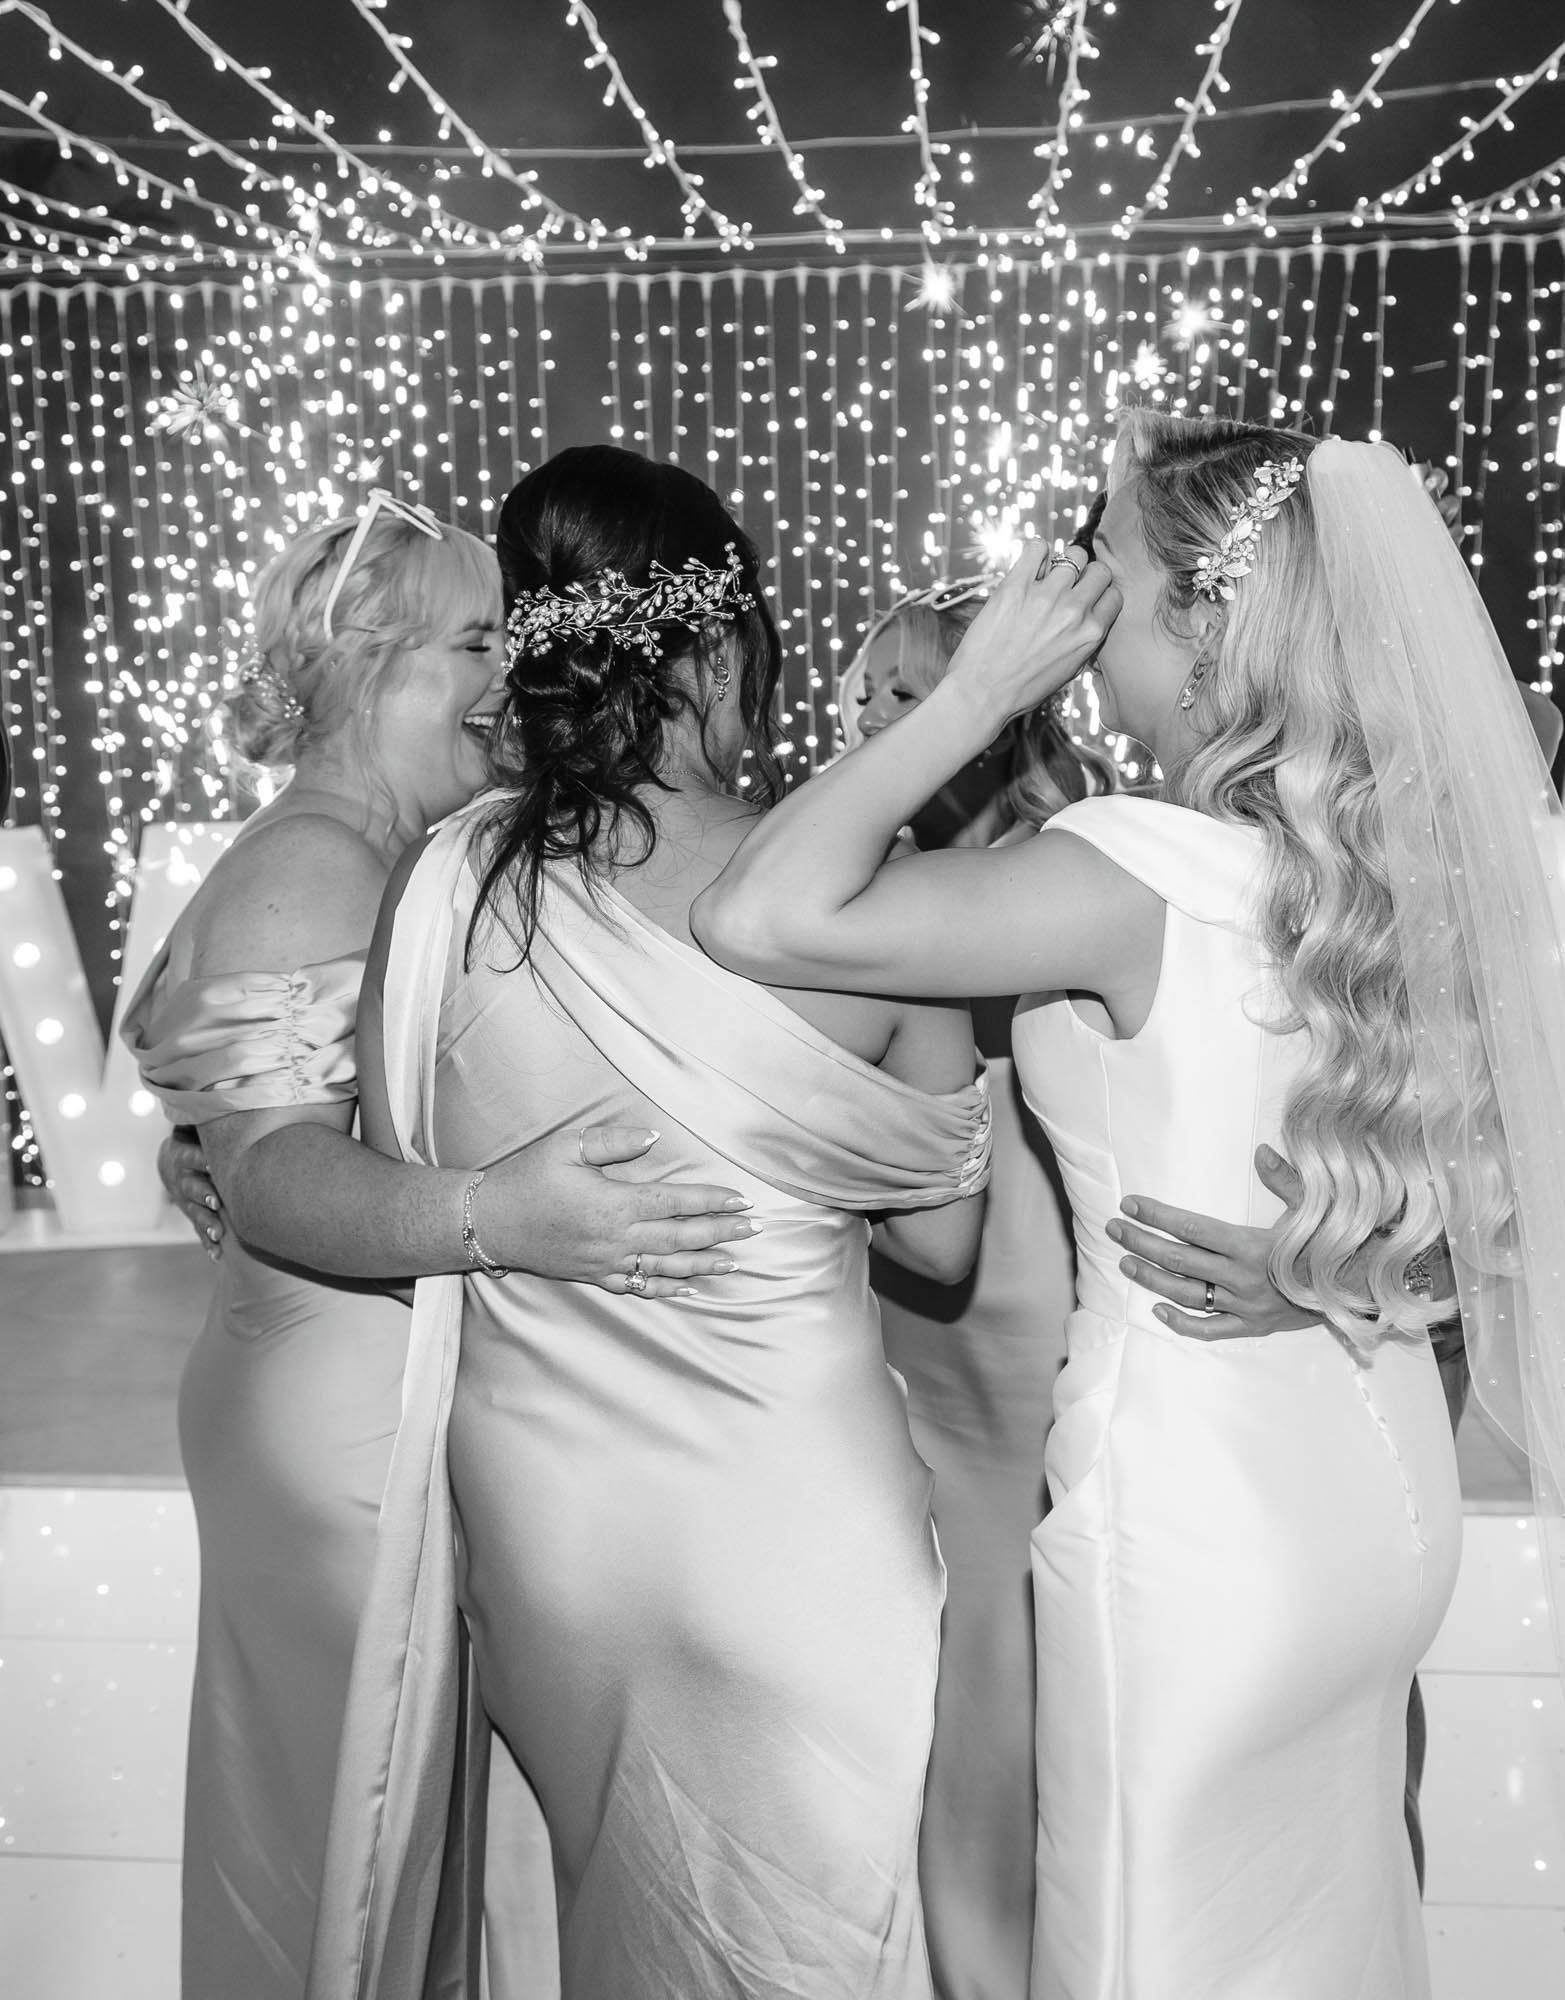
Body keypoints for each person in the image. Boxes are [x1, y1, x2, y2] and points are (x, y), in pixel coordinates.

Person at [696, 413, 1565, 1997]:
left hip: (1192, 1521)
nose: (1081, 616)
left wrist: (978, 694)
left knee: (1147, 1946)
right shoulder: (1384, 866)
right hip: (1374, 1494)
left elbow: (759, 910)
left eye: (1110, 582)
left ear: (1212, 626)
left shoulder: (1129, 869)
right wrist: (1328, 1269)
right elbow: (1491, 1181)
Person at [309, 447, 991, 2000]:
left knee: (611, 1905)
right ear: (710, 643)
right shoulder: (865, 886)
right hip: (790, 1517)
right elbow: (941, 1249)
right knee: (810, 1931)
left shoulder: (442, 886)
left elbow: (376, 1153)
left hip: (552, 1523)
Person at [122, 494, 753, 2000]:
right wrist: (505, 1213)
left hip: (355, 1382)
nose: (505, 680)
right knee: (359, 1834)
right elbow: (277, 1176)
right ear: (366, 662)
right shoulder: (318, 864)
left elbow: (270, 1116)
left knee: (403, 1833)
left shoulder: (376, 851)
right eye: (476, 641)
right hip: (343, 1425)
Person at [843, 589, 1313, 2000]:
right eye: (864, 698)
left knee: (995, 1626)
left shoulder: (1035, 882)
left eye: (891, 697)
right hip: (1000, 1289)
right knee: (996, 1624)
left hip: (1009, 1283)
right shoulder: (1045, 857)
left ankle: (999, 1960)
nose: (863, 724)